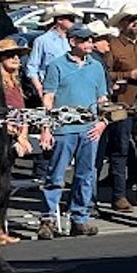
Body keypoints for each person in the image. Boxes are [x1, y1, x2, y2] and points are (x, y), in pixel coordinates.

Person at [39, 24, 108, 239]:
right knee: (55, 175)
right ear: (73, 42)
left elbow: (102, 99)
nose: (90, 44)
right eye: (85, 40)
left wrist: (102, 122)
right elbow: (48, 98)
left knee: (86, 175)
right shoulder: (56, 66)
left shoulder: (96, 67)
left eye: (91, 40)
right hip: (64, 129)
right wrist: (46, 128)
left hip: (89, 129)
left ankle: (80, 218)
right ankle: (48, 219)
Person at [0, 37, 44, 245]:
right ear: (0, 58)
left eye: (17, 56)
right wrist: (11, 131)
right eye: (10, 55)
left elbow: (22, 113)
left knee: (4, 186)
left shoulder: (17, 83)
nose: (16, 59)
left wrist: (23, 136)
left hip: (13, 139)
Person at [104, 5, 137, 210]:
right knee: (120, 150)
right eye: (131, 19)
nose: (136, 22)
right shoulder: (113, 46)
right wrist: (128, 75)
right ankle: (118, 195)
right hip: (121, 104)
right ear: (122, 23)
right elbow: (105, 75)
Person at [24, 2, 79, 98]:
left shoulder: (74, 41)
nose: (74, 22)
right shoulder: (42, 41)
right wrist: (39, 88)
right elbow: (32, 67)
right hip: (50, 89)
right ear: (60, 20)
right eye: (71, 19)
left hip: (71, 88)